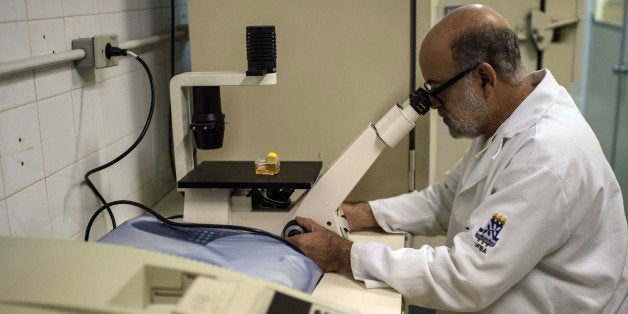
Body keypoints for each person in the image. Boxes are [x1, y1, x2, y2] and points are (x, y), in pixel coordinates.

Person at [287, 4, 628, 313]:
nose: (432, 104)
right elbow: (447, 199)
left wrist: (344, 255)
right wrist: (356, 214)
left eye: (437, 89)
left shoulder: (545, 158)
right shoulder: (506, 123)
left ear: (484, 78)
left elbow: (467, 277)